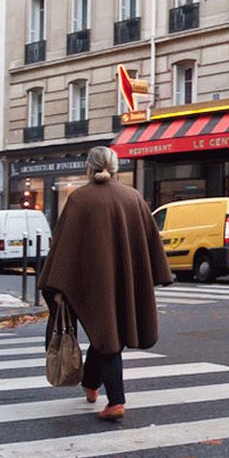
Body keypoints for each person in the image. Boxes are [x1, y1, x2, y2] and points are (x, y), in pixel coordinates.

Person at [37, 147, 172, 422]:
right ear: (115, 168)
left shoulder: (79, 200)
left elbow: (64, 246)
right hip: (125, 280)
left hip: (89, 284)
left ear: (89, 168)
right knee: (107, 333)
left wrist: (58, 287)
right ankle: (90, 382)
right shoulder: (133, 198)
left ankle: (116, 400)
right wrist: (149, 276)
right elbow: (150, 242)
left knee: (107, 335)